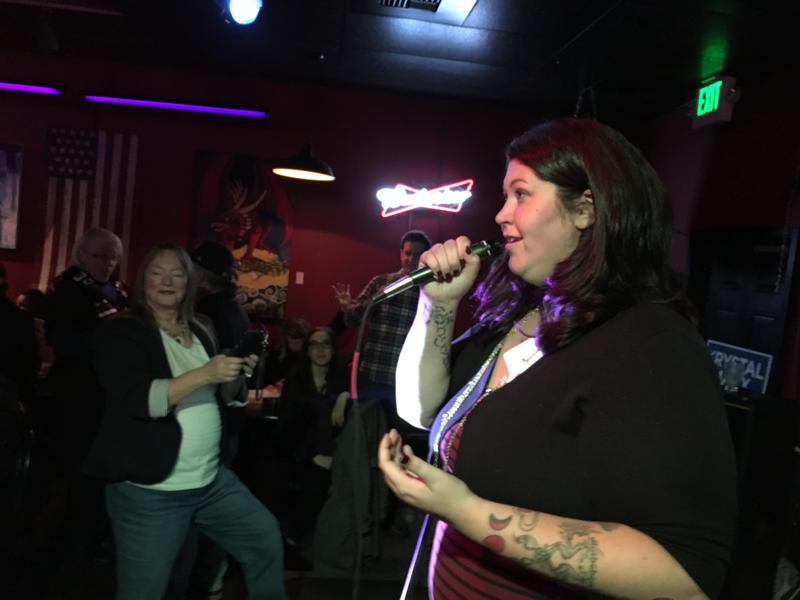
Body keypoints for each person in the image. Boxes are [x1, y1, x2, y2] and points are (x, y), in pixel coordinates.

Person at [378, 118, 737, 599]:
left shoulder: (652, 343)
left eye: (521, 195)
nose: (502, 215)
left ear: (586, 209)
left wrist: (467, 511)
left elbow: (684, 577)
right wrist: (437, 306)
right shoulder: (523, 310)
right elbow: (416, 410)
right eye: (505, 197)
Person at [83, 242, 285, 600]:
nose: (167, 281)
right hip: (151, 492)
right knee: (146, 591)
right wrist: (207, 373)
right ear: (142, 279)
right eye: (157, 273)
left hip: (210, 482)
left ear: (190, 283)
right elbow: (137, 400)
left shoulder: (202, 327)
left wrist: (233, 376)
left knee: (264, 538)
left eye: (177, 274)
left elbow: (224, 397)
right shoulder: (121, 331)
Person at [44, 227, 129, 589]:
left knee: (100, 483)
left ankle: (90, 550)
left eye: (112, 256)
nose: (107, 263)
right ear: (81, 256)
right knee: (81, 483)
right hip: (78, 403)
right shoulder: (70, 290)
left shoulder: (119, 293)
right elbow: (66, 345)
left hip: (110, 405)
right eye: (99, 255)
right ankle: (72, 562)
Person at [277, 326, 350, 554]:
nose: (320, 350)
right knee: (311, 486)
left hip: (335, 454)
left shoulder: (341, 382)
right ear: (307, 350)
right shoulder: (296, 382)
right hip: (301, 455)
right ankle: (298, 542)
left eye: (325, 344)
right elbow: (287, 430)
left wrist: (344, 397)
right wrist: (313, 456)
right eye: (314, 344)